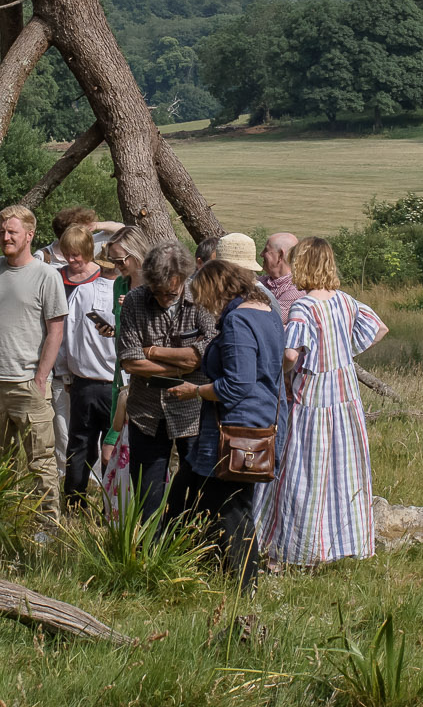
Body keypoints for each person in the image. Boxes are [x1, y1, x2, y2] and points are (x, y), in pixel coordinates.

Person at [267, 237, 387, 566]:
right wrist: (342, 353)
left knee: (304, 471)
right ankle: (346, 543)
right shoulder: (346, 301)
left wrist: (283, 372)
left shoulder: (305, 306)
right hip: (345, 395)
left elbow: (291, 353)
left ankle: (300, 548)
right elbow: (378, 328)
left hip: (313, 397)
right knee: (344, 470)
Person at [167, 257, 283, 584]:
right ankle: (221, 571)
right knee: (208, 496)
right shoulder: (267, 311)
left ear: (218, 288)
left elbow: (238, 383)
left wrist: (196, 390)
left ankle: (243, 584)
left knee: (230, 507)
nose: (204, 304)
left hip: (235, 429)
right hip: (255, 422)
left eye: (205, 295)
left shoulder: (239, 320)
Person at [0, 204, 69, 525]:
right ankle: (4, 517)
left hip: (29, 385)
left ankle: (47, 526)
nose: (5, 237)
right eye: (3, 232)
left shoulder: (46, 275)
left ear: (29, 236)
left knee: (41, 460)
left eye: (12, 233)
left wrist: (40, 377)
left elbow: (56, 331)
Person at [114, 243, 214, 522]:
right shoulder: (135, 300)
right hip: (146, 412)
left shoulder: (202, 297)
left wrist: (154, 352)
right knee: (147, 494)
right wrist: (182, 363)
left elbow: (206, 352)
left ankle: (189, 547)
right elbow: (130, 360)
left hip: (192, 412)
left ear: (182, 278)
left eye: (169, 292)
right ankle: (149, 551)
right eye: (156, 292)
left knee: (196, 489)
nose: (162, 299)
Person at [55, 222, 120, 507]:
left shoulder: (81, 292)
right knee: (114, 446)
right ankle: (112, 505)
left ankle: (73, 502)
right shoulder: (128, 298)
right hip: (117, 385)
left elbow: (66, 338)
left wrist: (67, 374)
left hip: (83, 383)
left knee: (79, 444)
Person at [261, 232, 302, 313]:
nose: (261, 254)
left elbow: (272, 318)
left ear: (280, 255)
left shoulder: (295, 289)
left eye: (266, 250)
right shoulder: (262, 281)